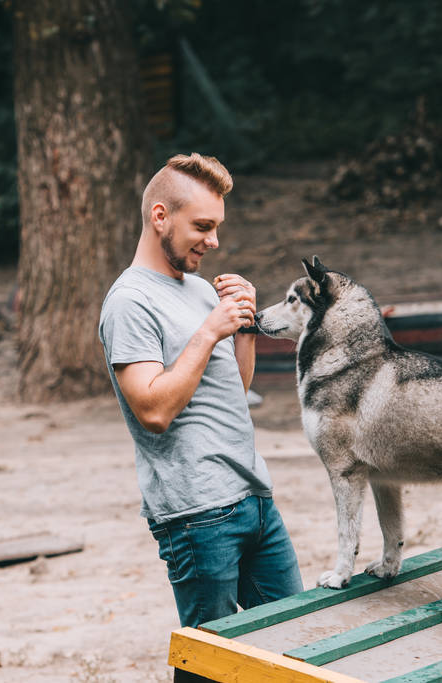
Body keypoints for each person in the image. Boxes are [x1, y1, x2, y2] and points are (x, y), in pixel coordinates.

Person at [98, 153, 303, 679]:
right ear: (160, 217)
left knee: (295, 644)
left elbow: (230, 391)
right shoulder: (130, 302)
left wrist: (244, 330)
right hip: (196, 513)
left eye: (217, 228)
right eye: (203, 227)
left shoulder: (198, 290)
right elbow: (153, 410)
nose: (213, 241)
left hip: (253, 497)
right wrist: (210, 330)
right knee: (210, 667)